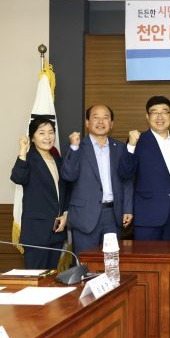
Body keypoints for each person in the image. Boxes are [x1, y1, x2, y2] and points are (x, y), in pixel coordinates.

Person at [61, 105, 133, 253]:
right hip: (84, 216)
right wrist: (74, 148)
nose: (101, 121)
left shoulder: (120, 148)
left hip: (113, 215)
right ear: (87, 122)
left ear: (111, 123)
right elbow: (68, 175)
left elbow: (127, 179)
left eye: (105, 117)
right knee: (85, 263)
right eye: (96, 117)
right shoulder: (77, 147)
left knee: (111, 262)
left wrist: (127, 208)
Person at [119, 96, 170, 240]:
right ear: (147, 116)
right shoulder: (138, 141)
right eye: (154, 112)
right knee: (146, 254)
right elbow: (125, 173)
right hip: (147, 215)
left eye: (164, 112)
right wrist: (130, 146)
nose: (160, 116)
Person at [10, 117, 68, 269]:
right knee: (36, 278)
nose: (47, 137)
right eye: (41, 133)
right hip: (36, 232)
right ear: (32, 138)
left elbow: (65, 191)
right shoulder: (28, 158)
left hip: (57, 230)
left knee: (51, 277)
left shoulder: (57, 159)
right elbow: (18, 177)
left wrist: (65, 214)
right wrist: (22, 151)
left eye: (51, 132)